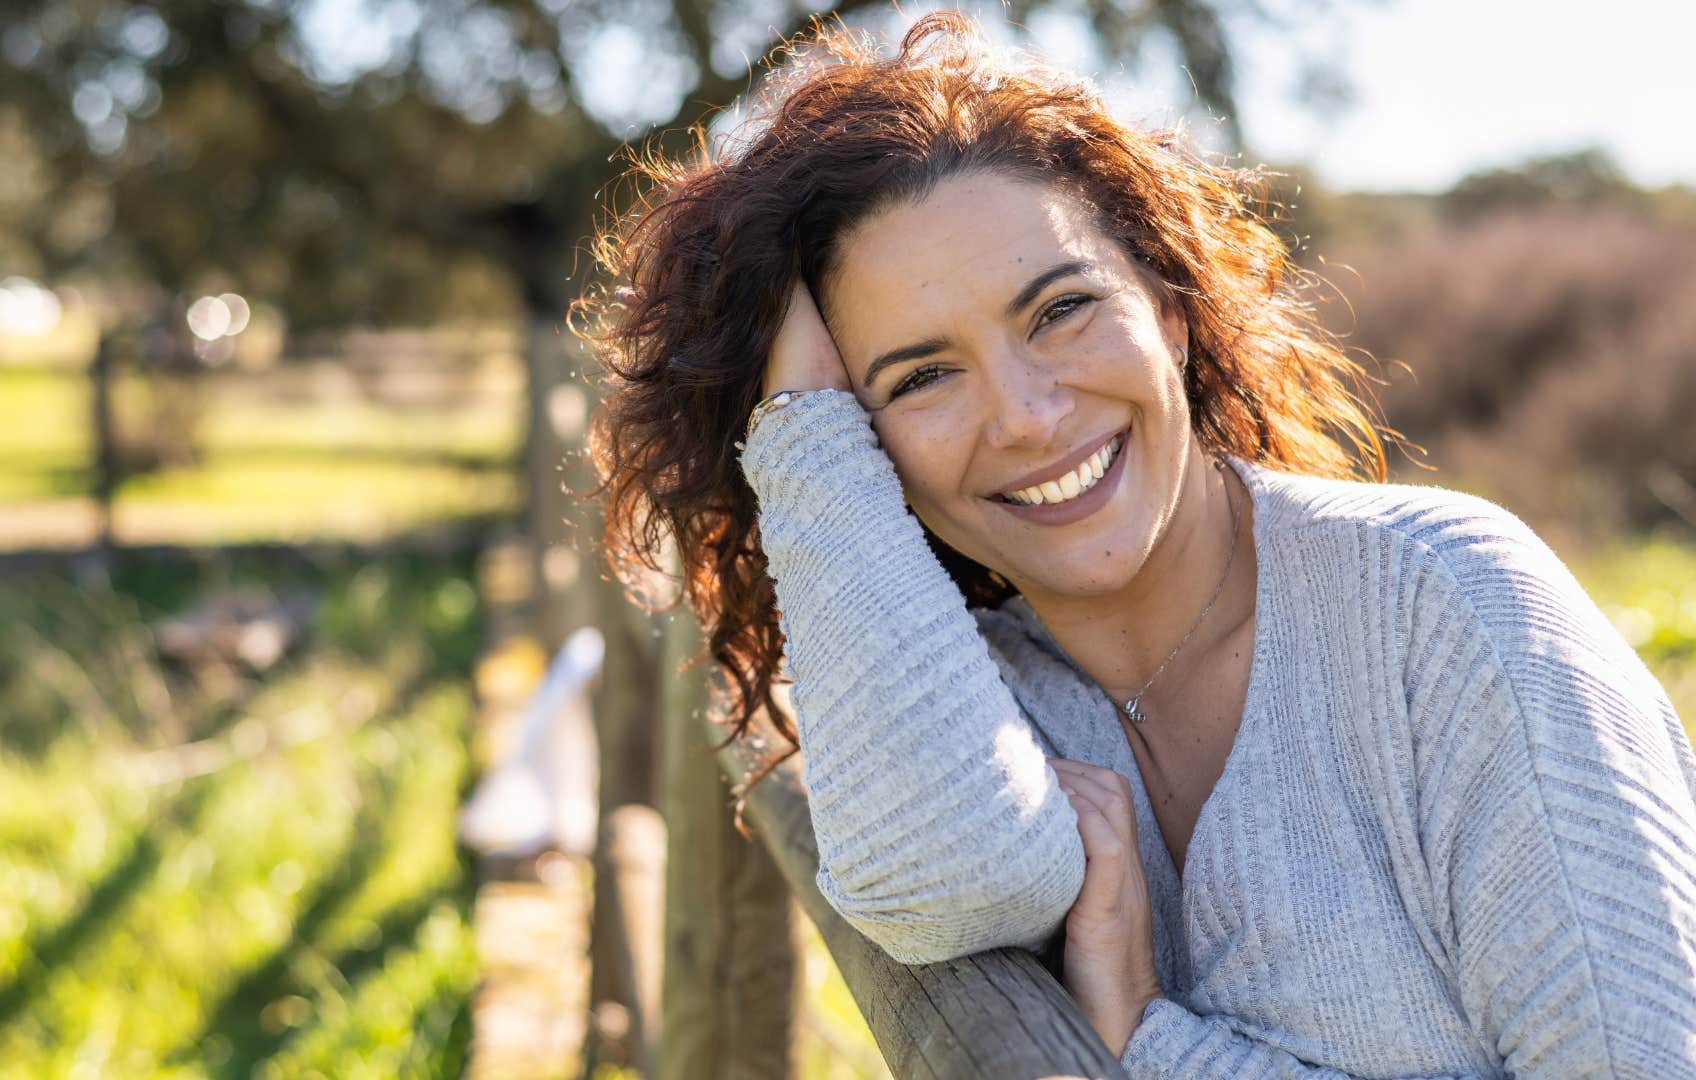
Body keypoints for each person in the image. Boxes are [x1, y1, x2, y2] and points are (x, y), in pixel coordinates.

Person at [572, 10, 1696, 1076]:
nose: (1026, 417)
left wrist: (1153, 1046)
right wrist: (803, 432)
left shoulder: (1444, 607)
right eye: (920, 378)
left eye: (1061, 310)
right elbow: (947, 888)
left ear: (1168, 308)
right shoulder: (973, 706)